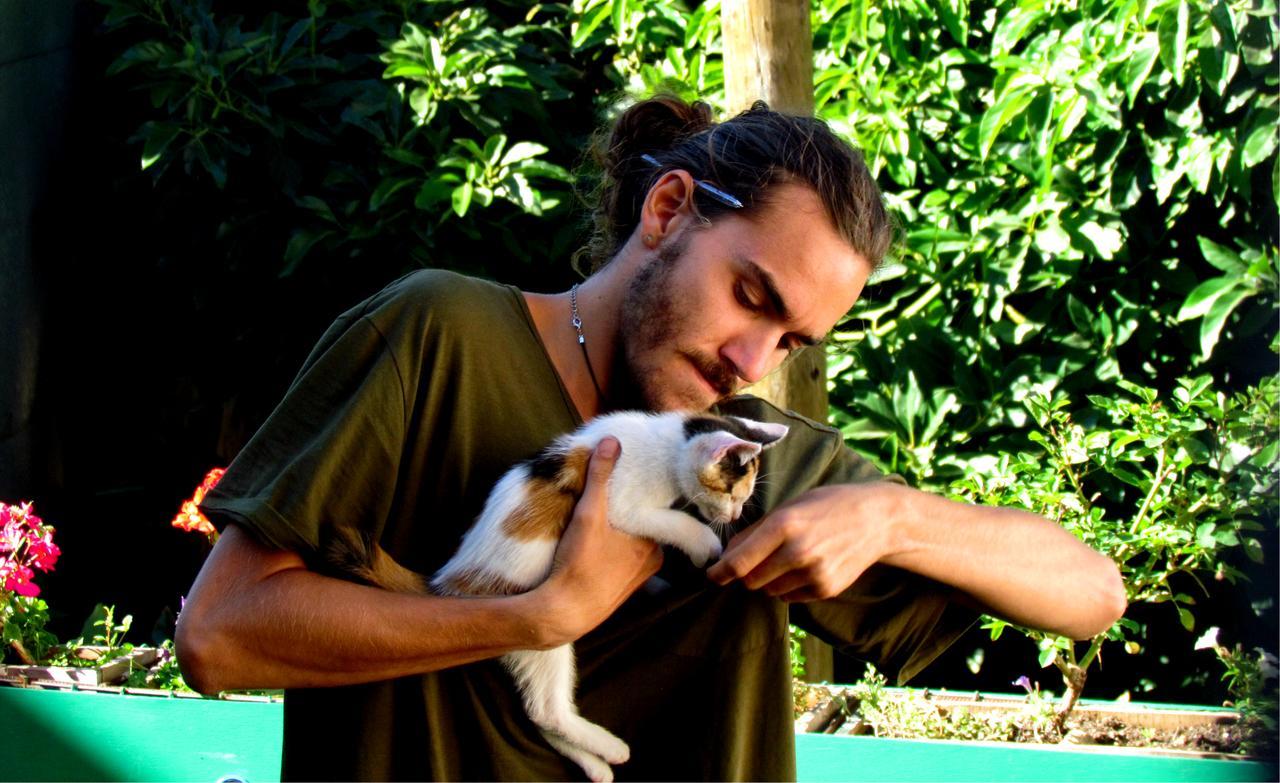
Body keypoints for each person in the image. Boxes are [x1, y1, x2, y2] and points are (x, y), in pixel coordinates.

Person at [178, 95, 1126, 781]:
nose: (753, 360)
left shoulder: (751, 456)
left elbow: (1091, 591)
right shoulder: (441, 336)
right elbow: (220, 638)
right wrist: (535, 618)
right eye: (751, 297)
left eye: (793, 340)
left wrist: (890, 516)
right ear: (668, 210)